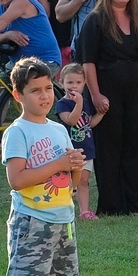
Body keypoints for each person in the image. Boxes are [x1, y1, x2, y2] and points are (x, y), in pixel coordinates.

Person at [0, 58, 93, 276]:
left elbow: (71, 180)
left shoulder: (58, 129)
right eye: (35, 90)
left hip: (63, 220)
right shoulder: (17, 132)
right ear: (18, 95)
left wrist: (75, 165)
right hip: (31, 222)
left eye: (47, 89)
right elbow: (17, 180)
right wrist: (58, 164)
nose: (44, 96)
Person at [80, 0, 138, 215]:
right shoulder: (95, 20)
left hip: (136, 91)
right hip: (107, 90)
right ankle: (110, 205)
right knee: (109, 146)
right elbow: (88, 62)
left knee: (134, 145)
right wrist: (95, 95)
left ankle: (131, 203)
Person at [55, 63, 103, 222]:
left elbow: (88, 123)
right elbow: (72, 120)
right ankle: (63, 209)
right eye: (69, 82)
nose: (74, 86)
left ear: (84, 83)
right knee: (67, 182)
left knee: (83, 181)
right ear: (61, 83)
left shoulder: (85, 102)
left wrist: (101, 113)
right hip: (69, 151)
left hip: (86, 149)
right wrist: (79, 103)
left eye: (78, 82)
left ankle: (84, 211)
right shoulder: (62, 104)